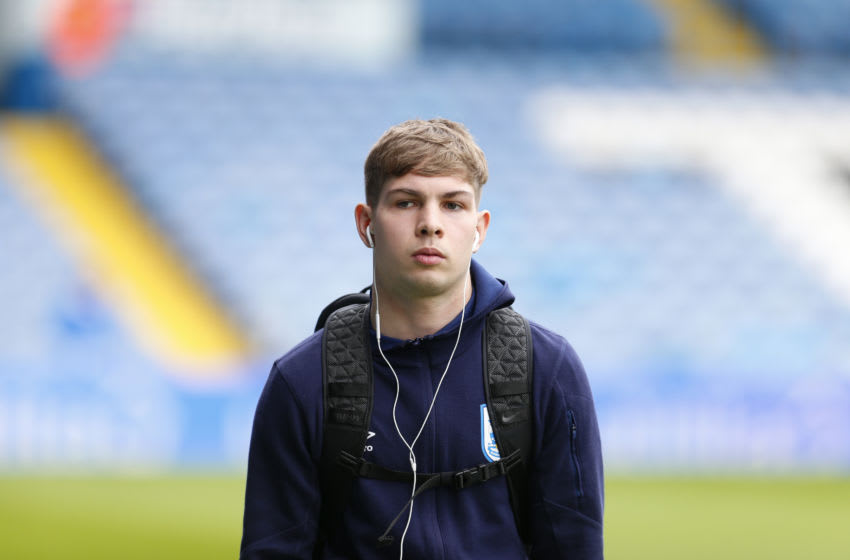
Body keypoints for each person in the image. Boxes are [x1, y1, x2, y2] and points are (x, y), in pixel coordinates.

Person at [240, 118, 604, 559]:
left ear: (480, 228)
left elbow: (575, 548)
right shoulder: (301, 382)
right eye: (407, 202)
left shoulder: (547, 369)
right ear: (366, 223)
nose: (430, 224)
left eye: (453, 205)